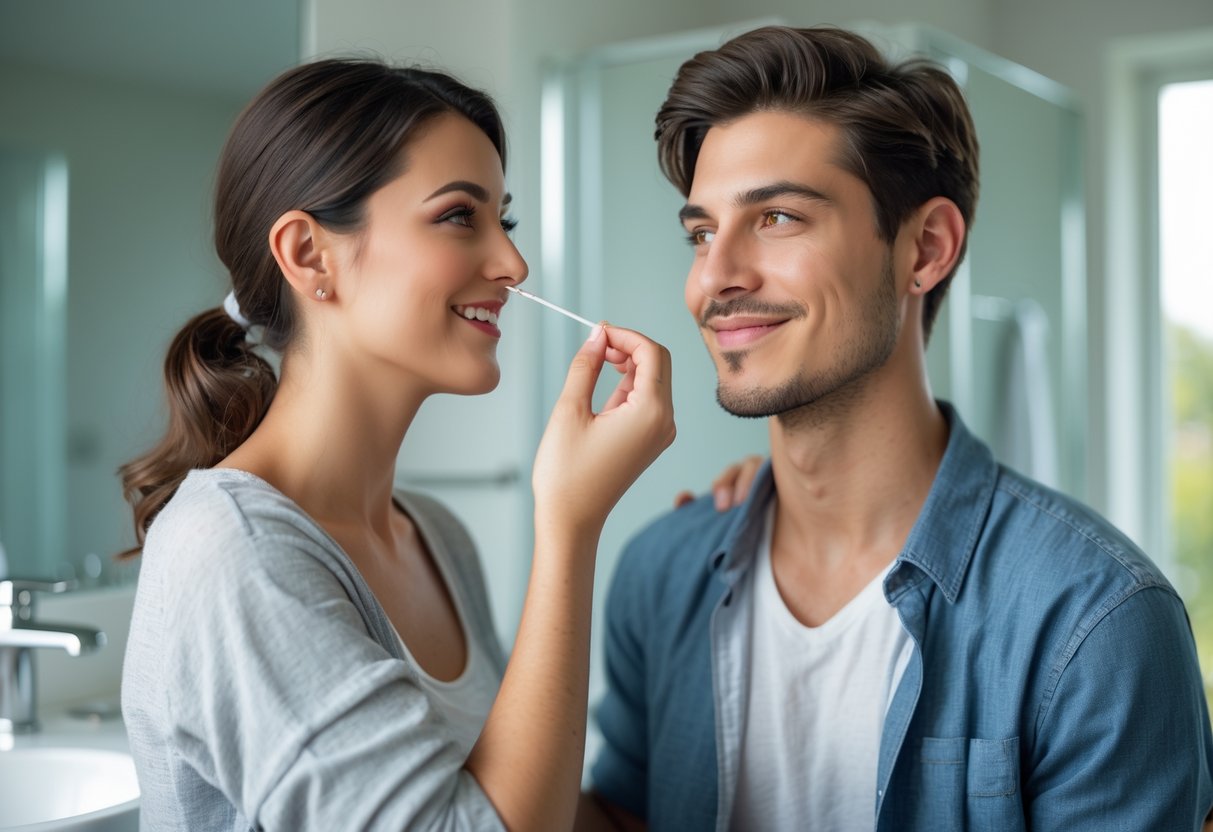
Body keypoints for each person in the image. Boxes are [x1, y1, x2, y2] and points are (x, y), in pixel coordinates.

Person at [577, 25, 1213, 832]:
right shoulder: (657, 576)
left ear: (926, 248)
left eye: (775, 217)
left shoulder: (1096, 621)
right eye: (700, 232)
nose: (714, 277)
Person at [119, 58, 676, 831]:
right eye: (458, 215)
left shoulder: (435, 539)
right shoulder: (234, 554)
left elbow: (533, 802)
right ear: (310, 255)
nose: (513, 264)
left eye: (503, 221)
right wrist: (569, 524)